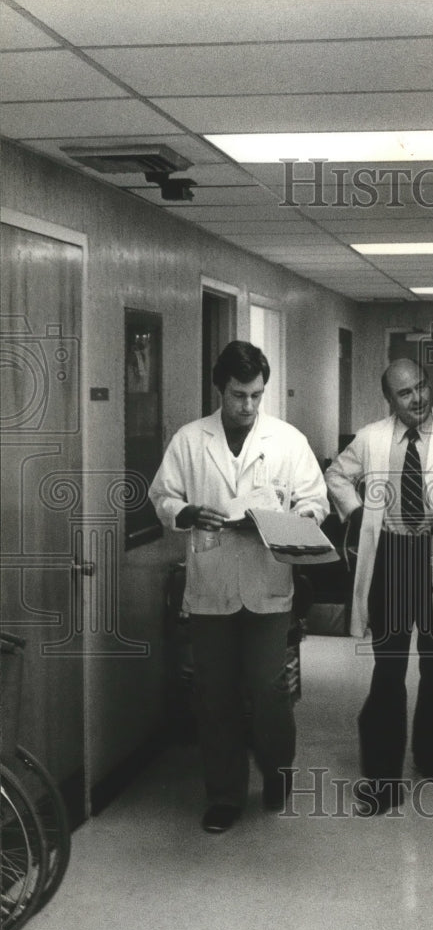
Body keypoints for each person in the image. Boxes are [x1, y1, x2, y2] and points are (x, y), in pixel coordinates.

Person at [149, 340, 328, 833]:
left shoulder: (288, 440)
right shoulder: (190, 439)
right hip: (210, 588)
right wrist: (183, 512)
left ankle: (276, 772)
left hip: (268, 586)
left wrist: (288, 520)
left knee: (270, 691)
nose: (248, 406)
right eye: (238, 395)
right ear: (219, 389)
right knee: (215, 695)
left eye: (256, 395)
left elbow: (315, 501)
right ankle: (224, 794)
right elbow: (162, 496)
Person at [325, 359, 433, 814]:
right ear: (390, 400)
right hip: (393, 558)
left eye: (421, 387)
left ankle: (429, 754)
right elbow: (336, 476)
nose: (417, 398)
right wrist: (357, 513)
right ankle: (382, 778)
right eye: (405, 394)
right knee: (389, 670)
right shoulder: (372, 438)